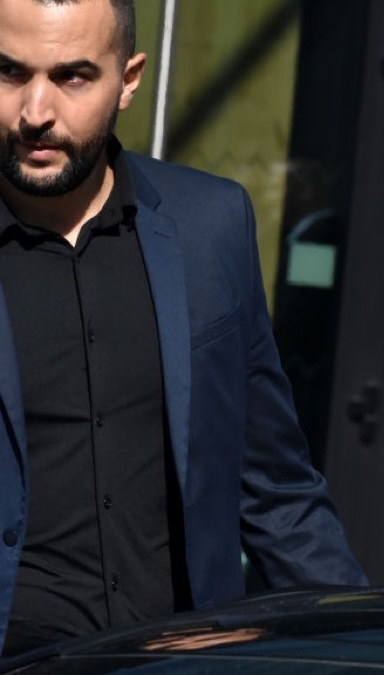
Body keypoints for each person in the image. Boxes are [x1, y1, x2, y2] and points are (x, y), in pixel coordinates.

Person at [0, 0, 365, 656]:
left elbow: (275, 487)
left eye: (73, 76)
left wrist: (362, 647)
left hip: (180, 658)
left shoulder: (209, 227)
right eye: (9, 73)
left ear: (130, 79)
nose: (35, 112)